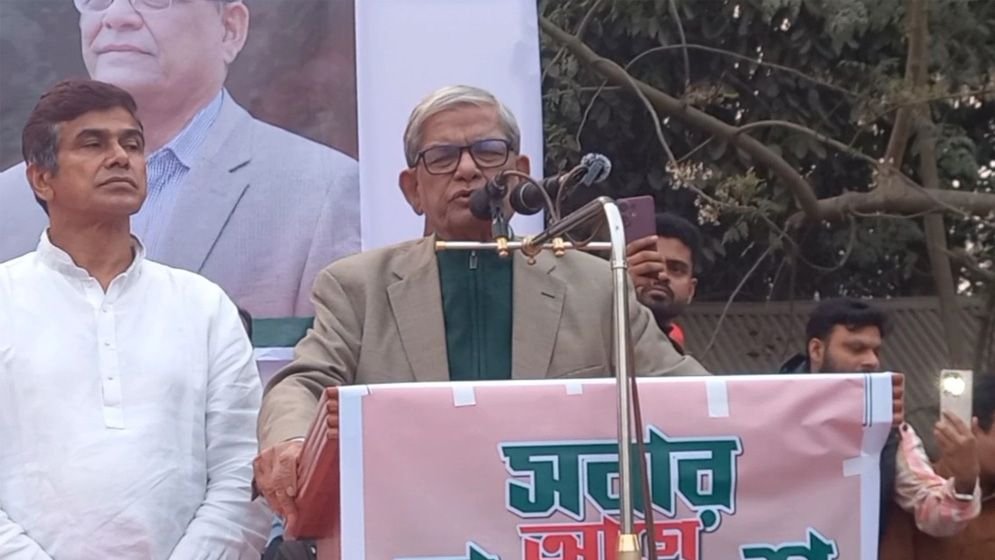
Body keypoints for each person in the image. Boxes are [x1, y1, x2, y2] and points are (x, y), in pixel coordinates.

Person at [252, 85, 709, 524]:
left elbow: (691, 396)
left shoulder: (595, 285)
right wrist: (293, 439)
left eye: (488, 151)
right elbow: (303, 384)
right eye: (442, 157)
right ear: (413, 189)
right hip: (412, 525)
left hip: (552, 524)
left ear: (521, 172)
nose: (468, 169)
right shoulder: (358, 287)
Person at [0, 79, 268, 557]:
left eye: (133, 144)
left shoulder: (203, 306)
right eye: (93, 143)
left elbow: (243, 473)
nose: (120, 157)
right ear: (41, 179)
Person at [0, 0, 359, 318]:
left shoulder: (323, 193)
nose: (117, 15)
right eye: (97, 0)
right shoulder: (10, 201)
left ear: (229, 28)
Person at [781, 298, 981, 540]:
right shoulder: (761, 414)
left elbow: (934, 513)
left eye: (876, 351)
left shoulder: (889, 429)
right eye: (856, 349)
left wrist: (965, 481)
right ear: (816, 350)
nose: (872, 361)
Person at [626, 212, 701, 352]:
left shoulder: (679, 360)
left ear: (691, 290)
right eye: (649, 264)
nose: (662, 275)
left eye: (676, 269)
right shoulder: (593, 340)